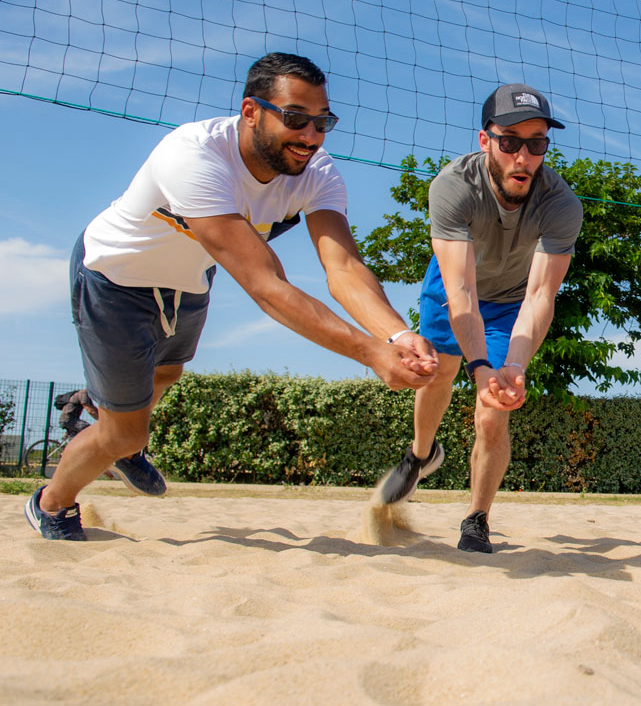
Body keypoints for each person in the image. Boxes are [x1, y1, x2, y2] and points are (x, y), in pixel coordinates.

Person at [25, 53, 438, 542]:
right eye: (295, 118)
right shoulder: (192, 155)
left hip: (189, 282)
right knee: (126, 432)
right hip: (114, 278)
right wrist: (370, 353)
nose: (311, 135)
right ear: (250, 112)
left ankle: (112, 422)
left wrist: (396, 334)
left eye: (322, 121)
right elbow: (266, 286)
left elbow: (344, 267)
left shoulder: (317, 172)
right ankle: (52, 503)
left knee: (167, 373)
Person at [377, 83, 582, 554]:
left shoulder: (561, 204)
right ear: (485, 140)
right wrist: (478, 366)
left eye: (537, 143)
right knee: (437, 372)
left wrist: (513, 366)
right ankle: (421, 455)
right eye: (510, 142)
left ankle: (477, 518)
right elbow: (461, 290)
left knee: (494, 410)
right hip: (454, 286)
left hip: (510, 301)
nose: (523, 156)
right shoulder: (453, 186)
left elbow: (540, 295)